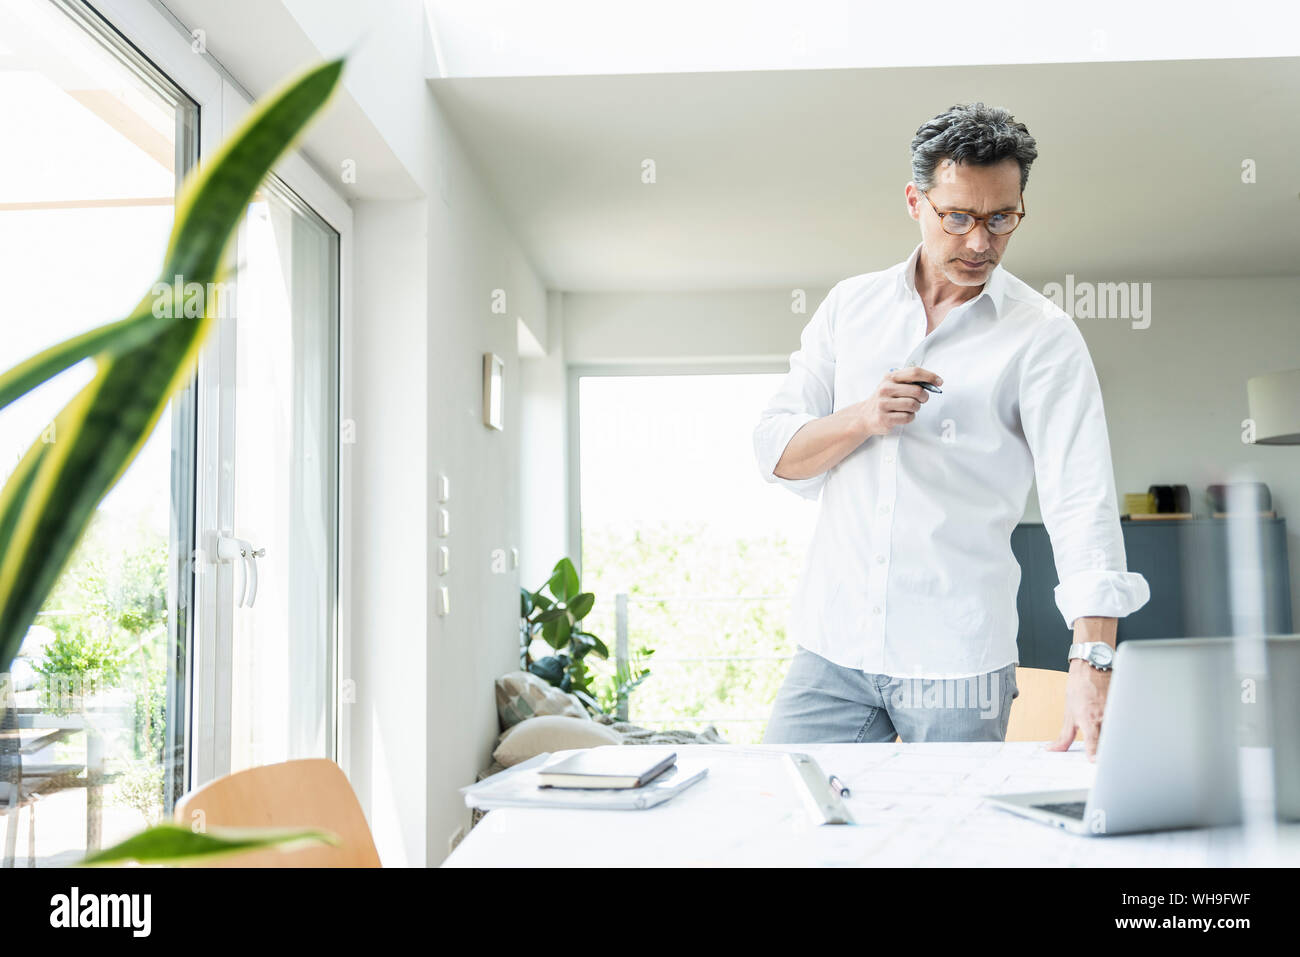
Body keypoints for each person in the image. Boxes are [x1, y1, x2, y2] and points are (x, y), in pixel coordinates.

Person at [753, 102, 1149, 759]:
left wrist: (1093, 660)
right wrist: (864, 415)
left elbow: (1082, 502)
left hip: (959, 662)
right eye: (958, 216)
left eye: (1002, 218)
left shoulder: (1043, 336)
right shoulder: (850, 308)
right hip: (833, 646)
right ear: (916, 200)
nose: (979, 242)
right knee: (794, 822)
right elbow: (776, 454)